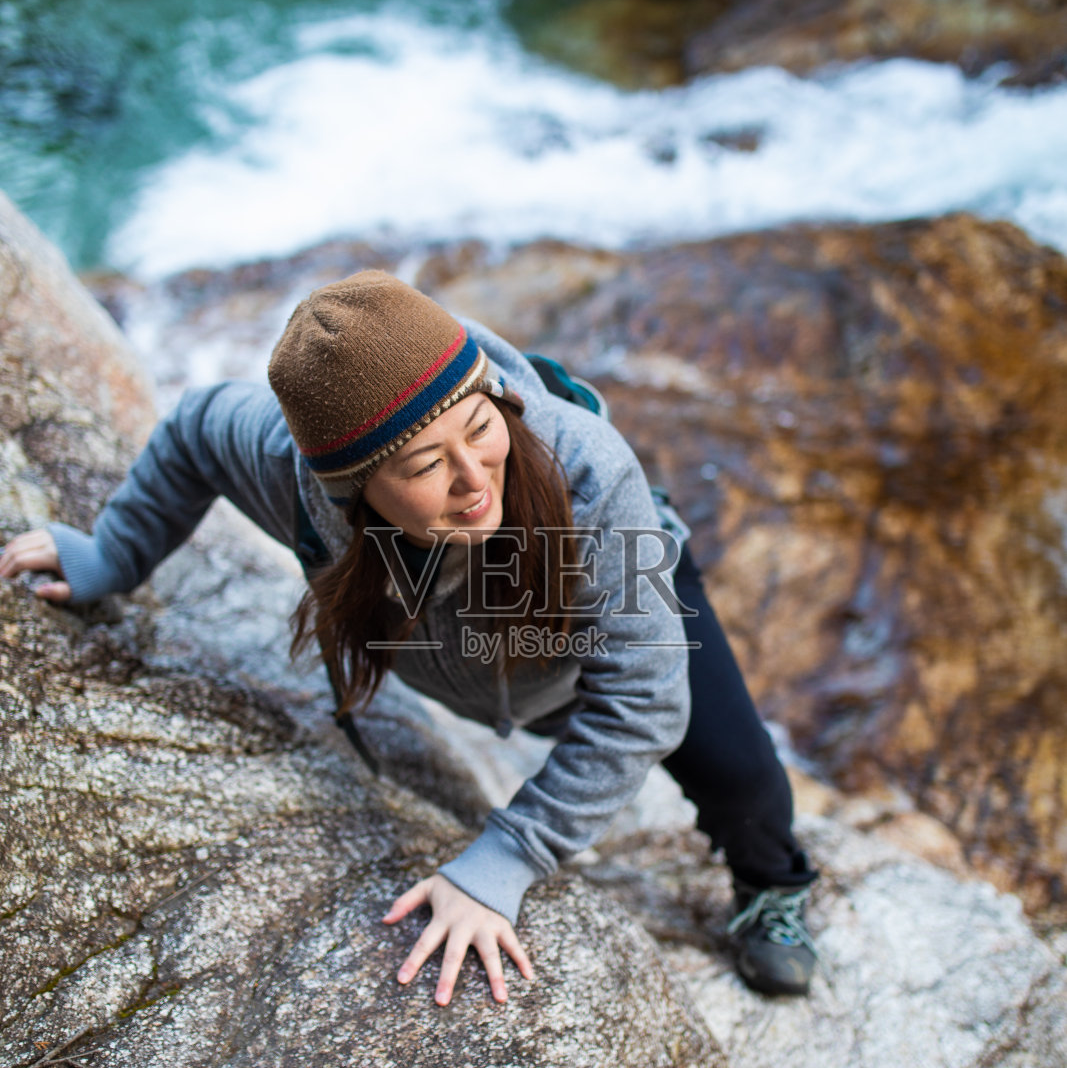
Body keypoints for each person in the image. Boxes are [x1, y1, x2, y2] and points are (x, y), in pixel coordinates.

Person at [0, 271, 817, 1003]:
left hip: (615, 594)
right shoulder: (294, 475)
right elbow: (192, 427)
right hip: (478, 668)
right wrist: (115, 553)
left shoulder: (589, 473)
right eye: (425, 466)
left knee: (741, 777)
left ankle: (773, 888)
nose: (473, 479)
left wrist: (509, 855)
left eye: (481, 427)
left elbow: (640, 703)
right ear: (353, 488)